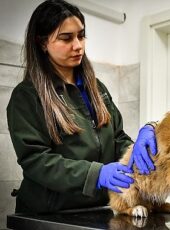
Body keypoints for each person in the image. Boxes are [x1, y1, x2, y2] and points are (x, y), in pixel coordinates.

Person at [7, 0, 156, 214]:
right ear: (42, 43)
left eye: (81, 35)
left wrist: (136, 150)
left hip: (96, 208)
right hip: (49, 213)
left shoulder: (97, 89)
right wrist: (96, 174)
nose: (78, 45)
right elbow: (36, 160)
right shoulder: (28, 96)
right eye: (66, 38)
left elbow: (117, 139)